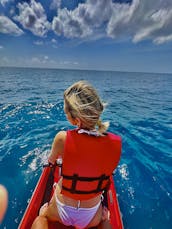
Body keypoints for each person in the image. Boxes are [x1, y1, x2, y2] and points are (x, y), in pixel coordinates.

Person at [31, 81, 121, 229]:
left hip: (61, 210)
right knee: (105, 220)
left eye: (66, 113)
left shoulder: (62, 138)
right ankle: (104, 222)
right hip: (91, 216)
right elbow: (107, 173)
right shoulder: (115, 143)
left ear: (76, 120)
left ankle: (44, 216)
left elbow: (51, 161)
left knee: (41, 218)